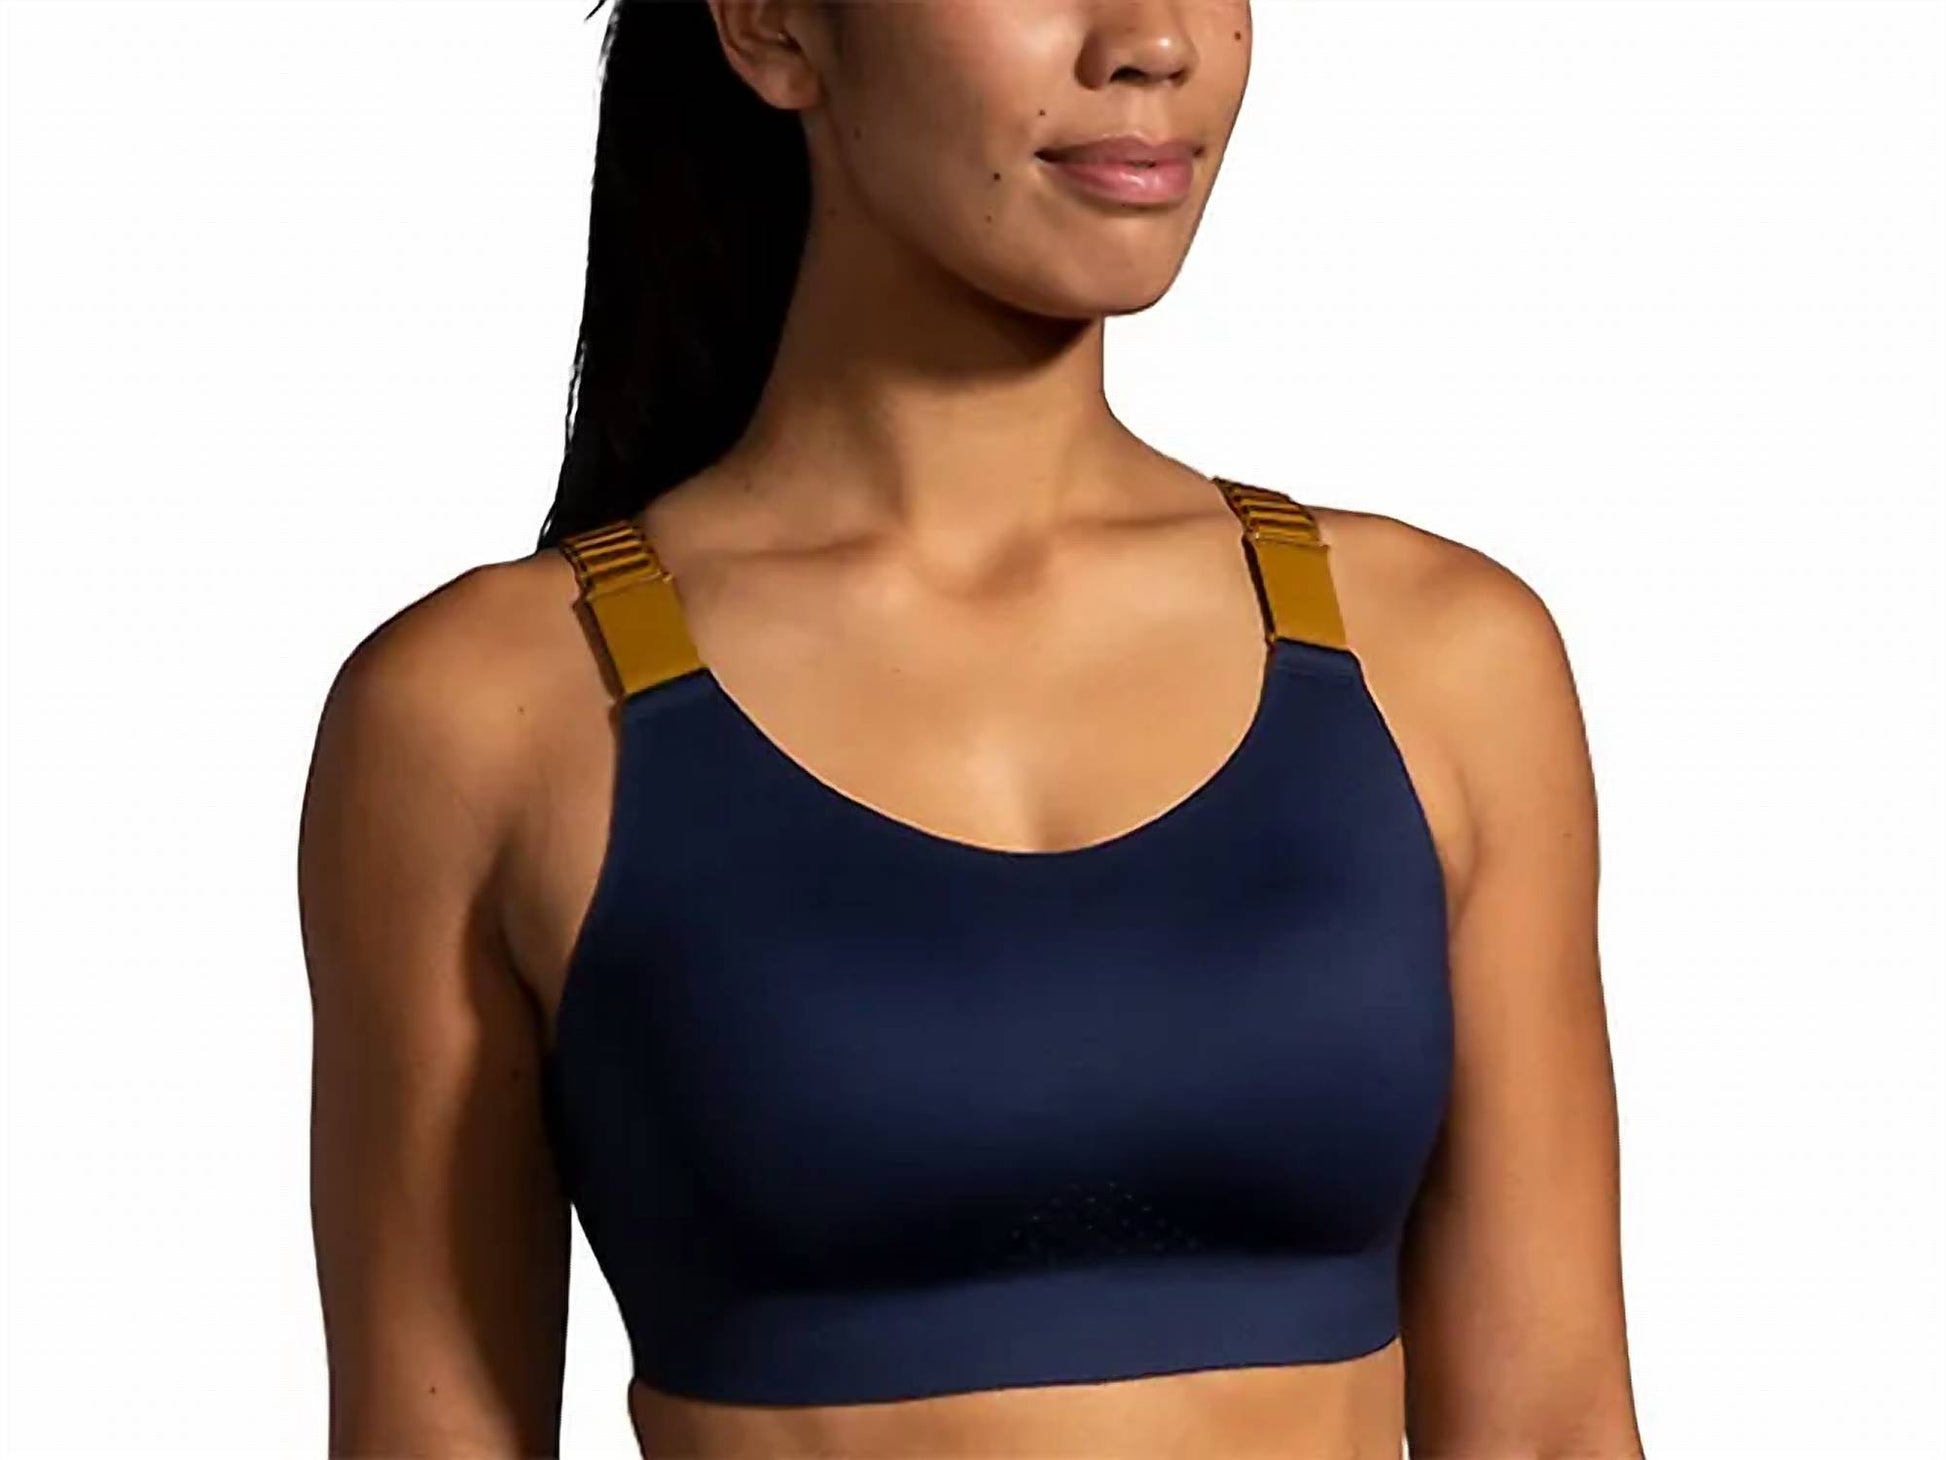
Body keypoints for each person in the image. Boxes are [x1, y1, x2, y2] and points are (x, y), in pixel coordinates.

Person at [298, 1, 1643, 1455]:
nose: (1154, 40)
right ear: (770, 27)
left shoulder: (1441, 660)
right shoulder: (488, 714)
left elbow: (1555, 1425)